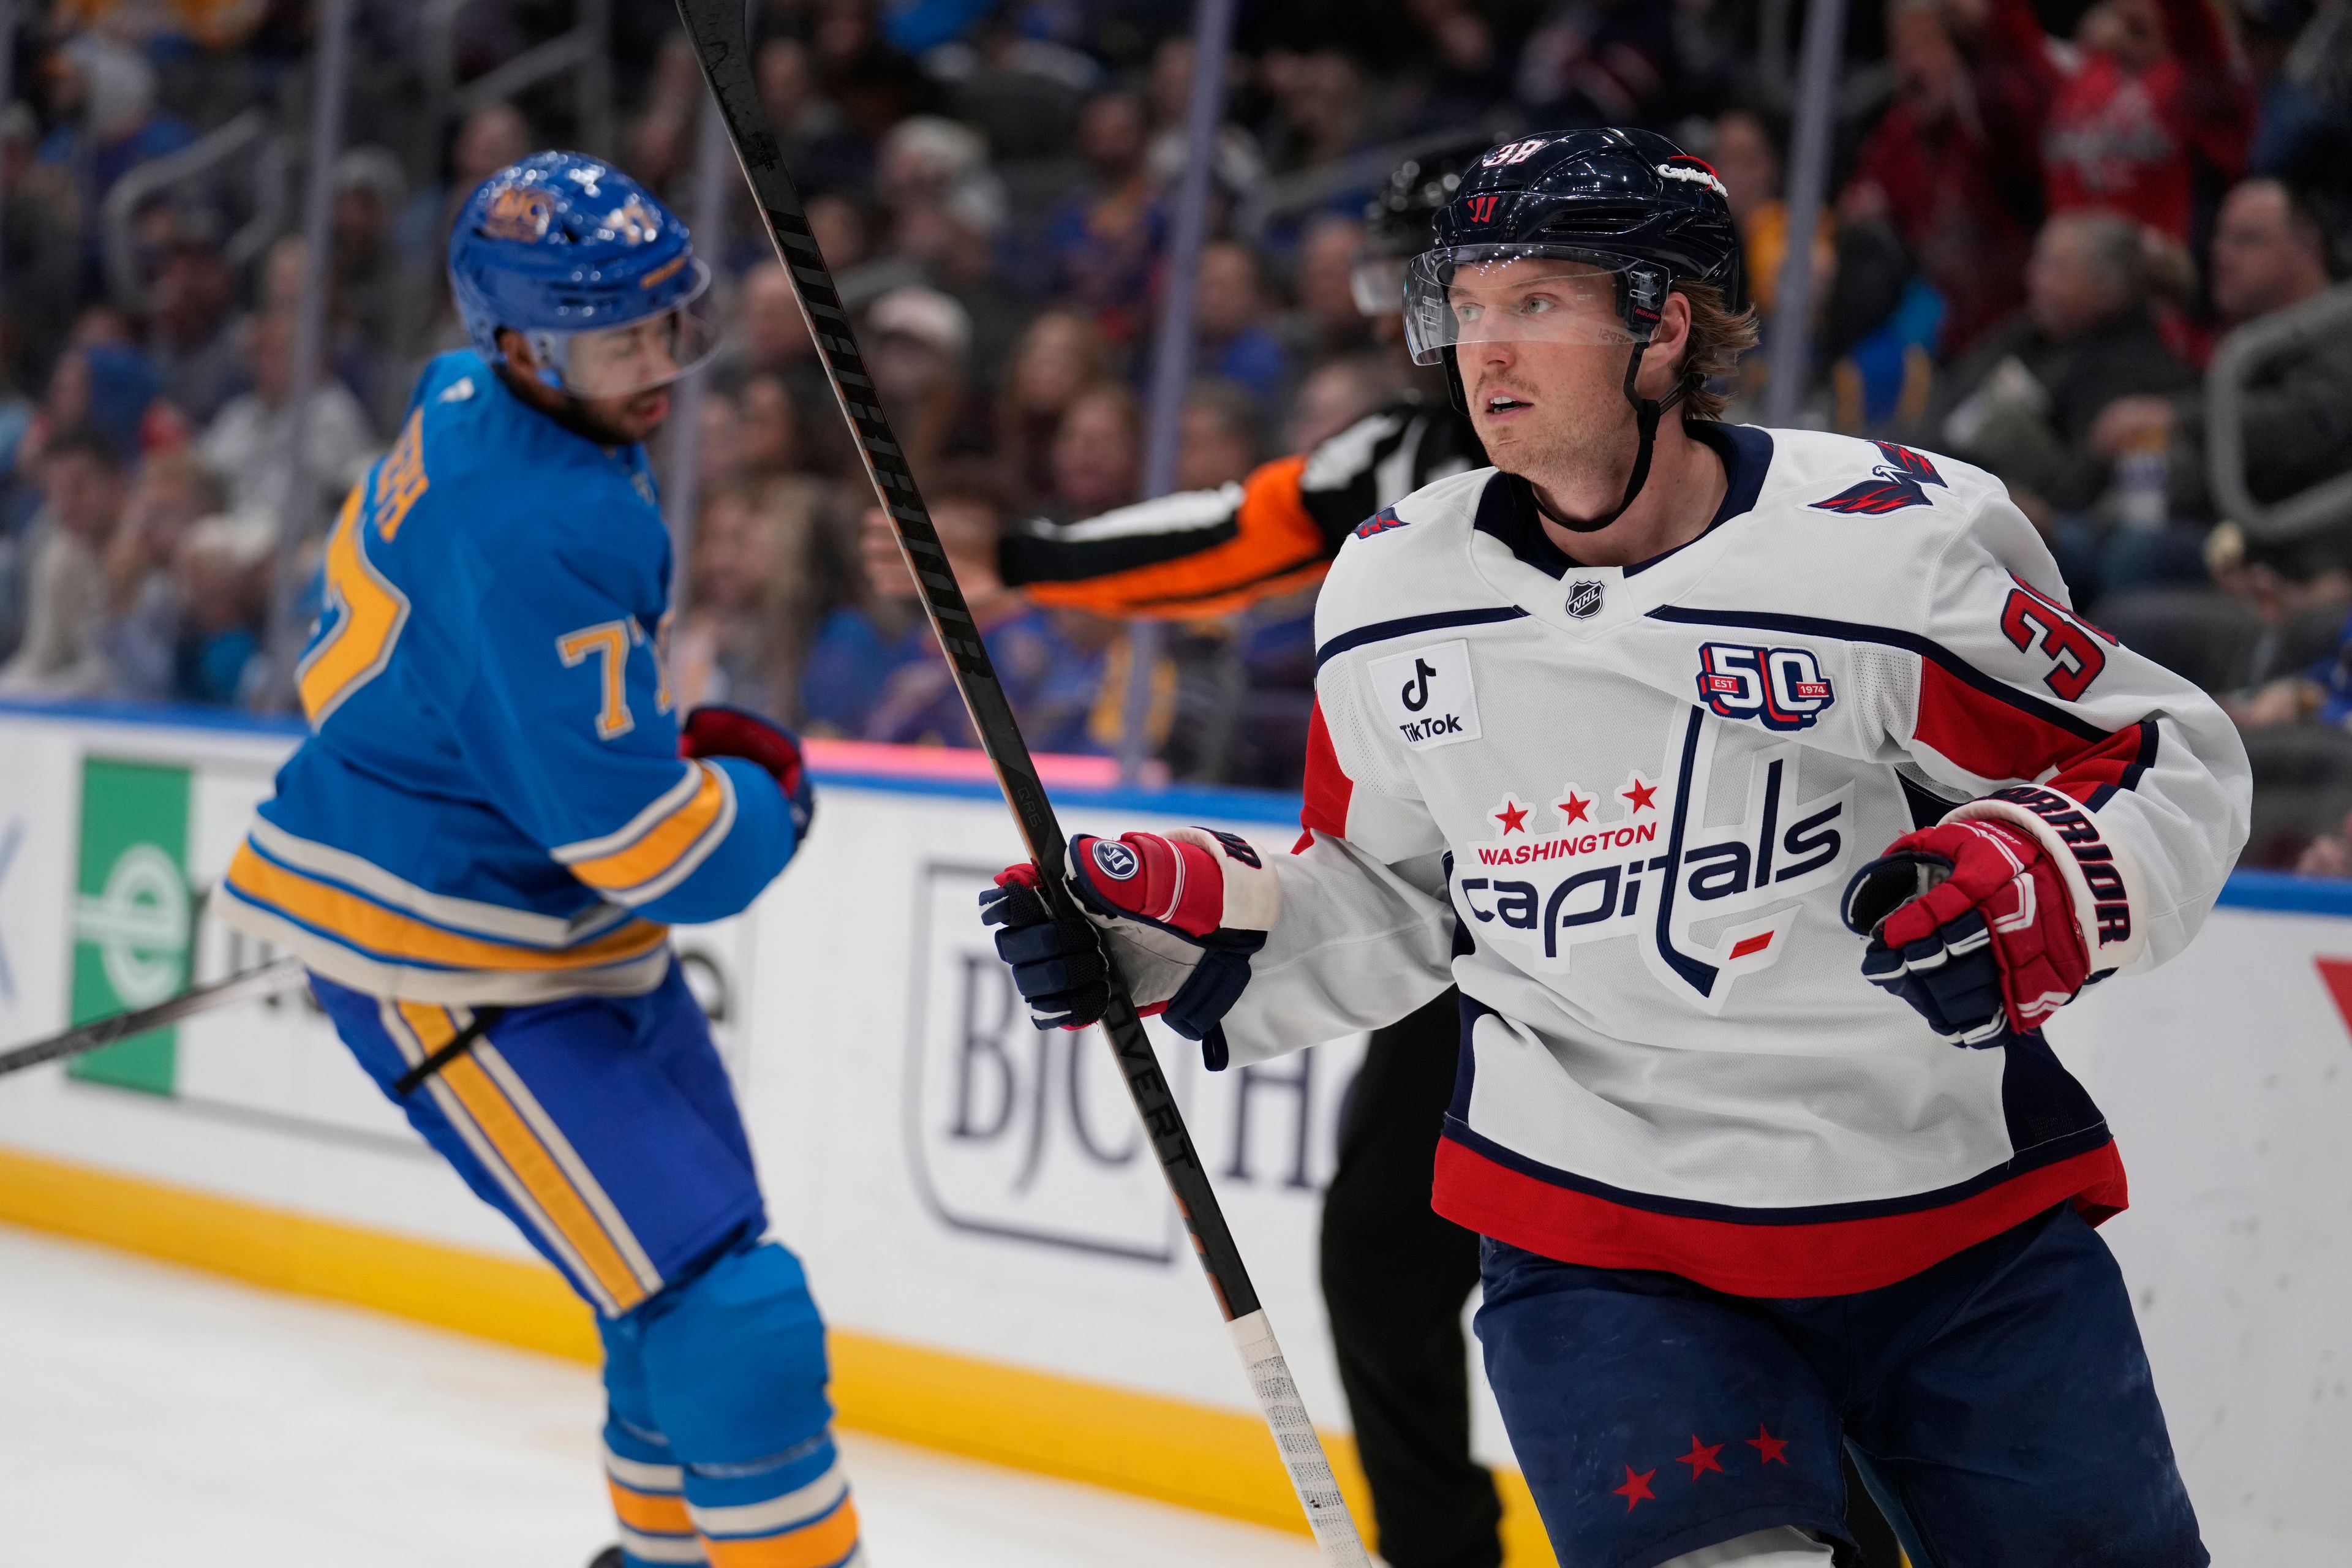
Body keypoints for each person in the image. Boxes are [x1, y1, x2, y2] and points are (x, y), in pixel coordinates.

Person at [981, 128, 2247, 1568]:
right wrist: (1187, 926)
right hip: (1605, 1247)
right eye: (1466, 306)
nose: (1484, 346)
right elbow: (1396, 897)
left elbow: (2164, 750)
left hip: (1956, 1229)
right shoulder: (1395, 590)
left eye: (1535, 302)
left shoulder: (1886, 551)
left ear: (1665, 324)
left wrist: (2048, 877)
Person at [211, 154, 862, 1568]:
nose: (657, 366)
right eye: (615, 339)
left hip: (525, 903)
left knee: (685, 1287)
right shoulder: (540, 520)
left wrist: (629, 743)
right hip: (448, 947)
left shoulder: (474, 396)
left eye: (664, 326)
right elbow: (650, 848)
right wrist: (762, 796)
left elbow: (501, 699)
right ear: (516, 342)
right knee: (728, 1307)